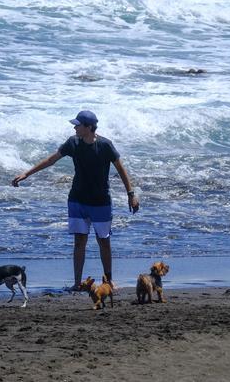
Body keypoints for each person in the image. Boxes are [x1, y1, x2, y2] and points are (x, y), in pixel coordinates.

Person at [11, 110, 139, 290]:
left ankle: (108, 280)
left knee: (103, 240)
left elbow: (121, 170)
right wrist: (26, 173)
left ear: (88, 127)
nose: (74, 127)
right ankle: (77, 283)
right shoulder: (73, 142)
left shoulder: (105, 146)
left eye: (78, 125)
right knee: (79, 241)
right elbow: (51, 160)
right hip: (77, 199)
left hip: (100, 201)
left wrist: (131, 194)